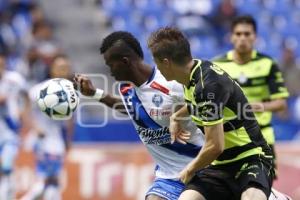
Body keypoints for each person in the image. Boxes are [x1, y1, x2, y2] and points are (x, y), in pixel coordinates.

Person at [74, 31, 205, 200]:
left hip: (201, 170)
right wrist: (94, 93)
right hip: (168, 178)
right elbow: (130, 108)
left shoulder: (171, 82)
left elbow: (206, 105)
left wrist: (178, 116)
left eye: (110, 65)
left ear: (125, 62)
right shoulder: (129, 92)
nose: (110, 72)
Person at [147, 27, 274, 200]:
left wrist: (190, 169)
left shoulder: (208, 86)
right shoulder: (192, 73)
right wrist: (177, 116)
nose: (157, 68)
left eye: (157, 62)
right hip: (220, 166)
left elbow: (215, 146)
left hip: (251, 158)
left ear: (166, 62)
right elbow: (198, 103)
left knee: (252, 198)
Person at [213, 15, 289, 178]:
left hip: (262, 137)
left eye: (247, 34)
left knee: (261, 186)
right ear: (231, 37)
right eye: (238, 34)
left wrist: (255, 106)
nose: (242, 38)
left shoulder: (268, 64)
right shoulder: (218, 65)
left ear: (255, 37)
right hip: (230, 137)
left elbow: (281, 103)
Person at [21, 55, 74, 200]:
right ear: (52, 70)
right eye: (60, 68)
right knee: (47, 181)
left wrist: (68, 139)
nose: (64, 72)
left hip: (58, 142)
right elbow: (25, 111)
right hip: (43, 141)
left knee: (50, 183)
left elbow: (70, 120)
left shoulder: (71, 93)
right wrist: (35, 128)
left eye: (66, 68)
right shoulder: (40, 89)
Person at [0, 54, 29, 200]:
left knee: (6, 167)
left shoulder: (14, 79)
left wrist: (23, 116)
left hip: (10, 131)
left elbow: (26, 96)